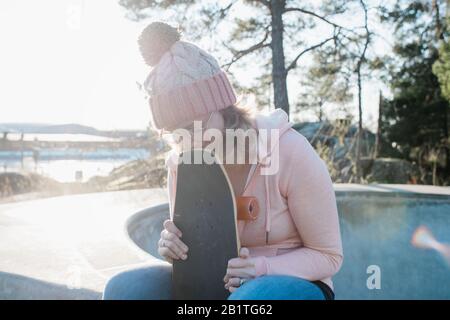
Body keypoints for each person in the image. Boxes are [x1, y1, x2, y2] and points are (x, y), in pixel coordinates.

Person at [102, 21, 343, 300]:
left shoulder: (288, 150)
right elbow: (196, 247)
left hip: (290, 285)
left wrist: (261, 268)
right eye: (175, 132)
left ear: (223, 108)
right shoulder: (181, 162)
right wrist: (174, 247)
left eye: (195, 125)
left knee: (249, 299)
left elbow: (328, 256)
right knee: (124, 290)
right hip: (212, 285)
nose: (189, 140)